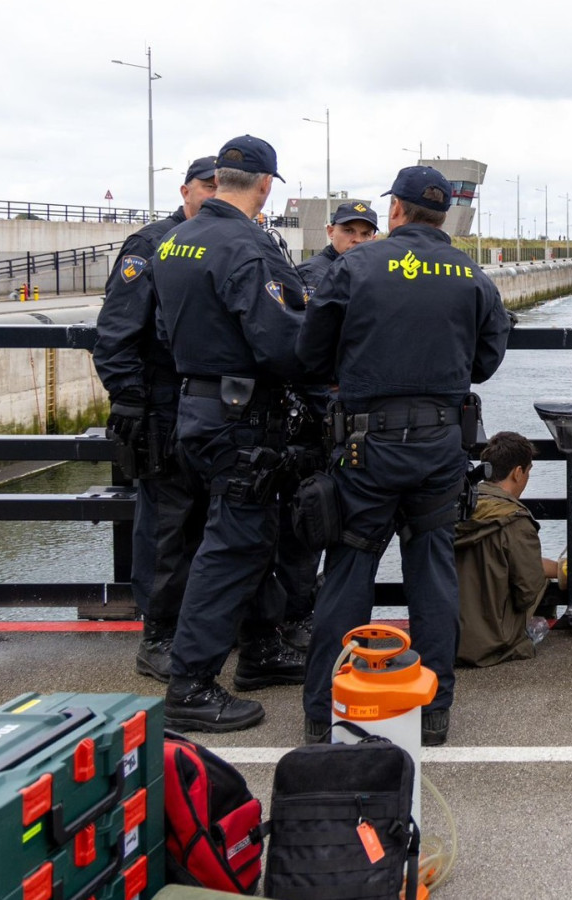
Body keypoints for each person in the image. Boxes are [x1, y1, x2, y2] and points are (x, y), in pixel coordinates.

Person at [297, 165, 511, 747]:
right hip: (441, 443)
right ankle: (434, 710)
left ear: (395, 210)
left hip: (367, 446)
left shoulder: (355, 266)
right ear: (442, 215)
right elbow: (487, 361)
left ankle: (326, 710)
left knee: (348, 569)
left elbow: (311, 353)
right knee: (432, 572)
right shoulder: (471, 276)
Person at [150, 135, 308, 733]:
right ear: (265, 186)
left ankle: (261, 650)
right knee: (233, 544)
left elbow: (166, 331)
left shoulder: (175, 242)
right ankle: (190, 683)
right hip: (242, 416)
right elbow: (281, 344)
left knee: (246, 536)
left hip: (196, 407)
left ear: (217, 178)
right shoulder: (249, 248)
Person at [92, 155, 217, 682]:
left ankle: (201, 629)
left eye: (220, 186)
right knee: (167, 525)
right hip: (163, 406)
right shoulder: (151, 245)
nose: (213, 195)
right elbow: (117, 333)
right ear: (185, 189)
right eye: (205, 186)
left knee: (212, 521)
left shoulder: (224, 244)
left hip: (211, 404)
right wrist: (130, 402)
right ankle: (159, 636)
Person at [264, 200, 383, 651]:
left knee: (335, 522)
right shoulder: (313, 276)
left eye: (364, 233)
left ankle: (310, 611)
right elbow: (306, 354)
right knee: (308, 522)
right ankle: (295, 617)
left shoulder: (365, 272)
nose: (356, 239)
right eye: (349, 231)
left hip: (346, 417)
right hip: (315, 419)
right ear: (331, 231)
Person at [454, 431, 559, 667]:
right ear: (518, 472)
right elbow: (528, 592)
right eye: (528, 472)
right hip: (491, 643)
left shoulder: (456, 508)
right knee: (539, 578)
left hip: (445, 639)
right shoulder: (516, 521)